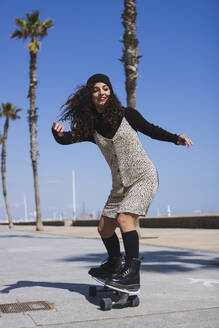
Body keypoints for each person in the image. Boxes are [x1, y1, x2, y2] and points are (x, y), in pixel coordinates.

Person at [52, 73, 193, 291]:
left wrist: (175, 138)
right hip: (119, 186)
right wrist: (58, 134)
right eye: (97, 89)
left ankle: (132, 275)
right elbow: (69, 138)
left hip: (143, 177)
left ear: (111, 92)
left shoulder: (127, 115)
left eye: (106, 88)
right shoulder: (92, 127)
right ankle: (115, 264)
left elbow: (151, 130)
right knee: (104, 228)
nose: (102, 92)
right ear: (90, 95)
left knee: (125, 219)